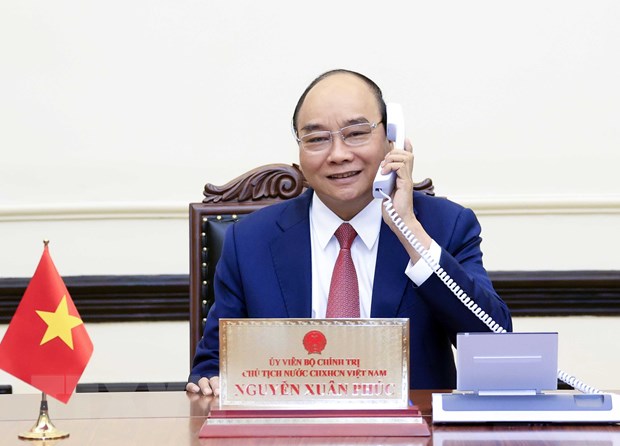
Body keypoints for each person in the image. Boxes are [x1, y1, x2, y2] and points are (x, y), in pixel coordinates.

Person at [186, 69, 512, 396]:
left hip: (414, 425)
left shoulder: (445, 226)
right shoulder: (249, 241)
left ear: (392, 140)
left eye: (356, 133)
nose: (338, 154)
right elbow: (213, 363)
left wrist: (410, 230)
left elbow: (495, 346)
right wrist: (210, 380)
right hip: (289, 424)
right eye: (317, 139)